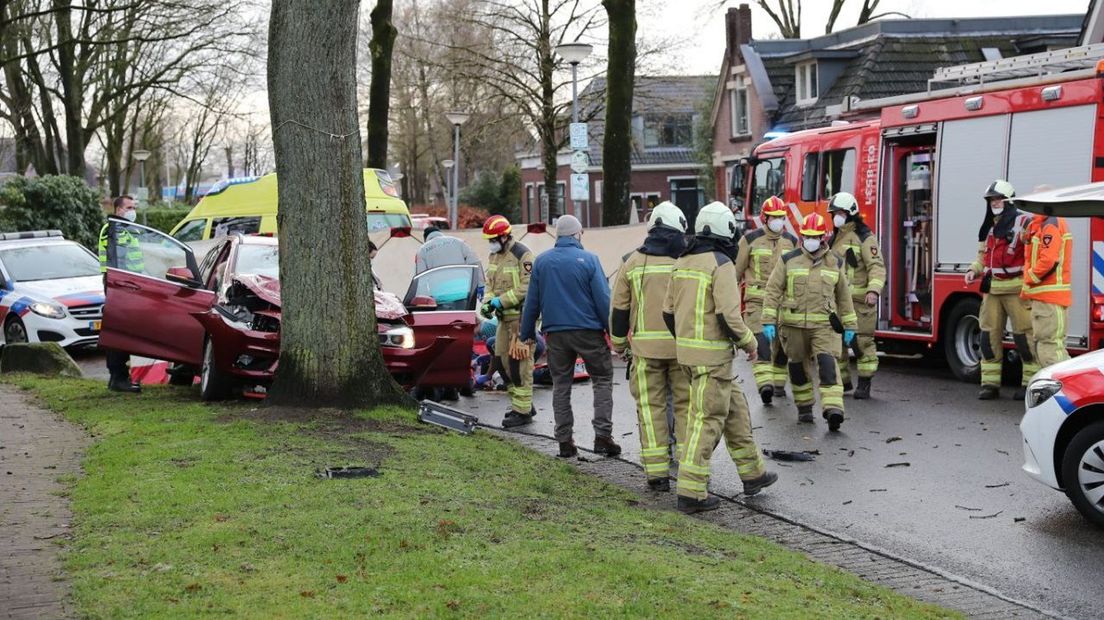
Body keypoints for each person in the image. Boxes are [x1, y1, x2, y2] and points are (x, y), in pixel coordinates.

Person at [663, 202, 777, 514]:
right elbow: (729, 317)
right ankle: (691, 492)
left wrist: (687, 343)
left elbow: (667, 312)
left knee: (736, 408)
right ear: (725, 230)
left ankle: (753, 474)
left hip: (689, 356)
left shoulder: (682, 261)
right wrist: (751, 344)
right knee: (708, 420)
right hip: (713, 359)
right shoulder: (721, 264)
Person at [520, 215, 621, 458]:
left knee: (561, 385)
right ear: (577, 234)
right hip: (588, 333)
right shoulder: (589, 260)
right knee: (602, 380)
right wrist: (614, 334)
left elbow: (531, 302)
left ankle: (565, 441)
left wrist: (526, 334)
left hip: (556, 335)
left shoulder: (542, 262)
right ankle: (603, 437)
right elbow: (603, 301)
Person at [610, 201, 689, 492]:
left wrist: (620, 345)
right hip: (682, 349)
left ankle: (656, 475)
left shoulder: (632, 261)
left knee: (651, 409)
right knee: (685, 407)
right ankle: (686, 469)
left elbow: (618, 309)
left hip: (644, 352)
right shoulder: (686, 260)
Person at [762, 212, 856, 431]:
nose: (810, 240)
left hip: (824, 327)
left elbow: (844, 297)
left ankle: (833, 409)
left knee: (827, 366)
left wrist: (851, 325)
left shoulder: (835, 263)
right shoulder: (788, 260)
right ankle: (804, 408)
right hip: (793, 328)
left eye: (814, 236)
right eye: (806, 236)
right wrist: (768, 320)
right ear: (802, 236)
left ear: (823, 237)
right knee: (797, 369)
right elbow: (773, 290)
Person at [965, 180, 1037, 400]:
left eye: (998, 199)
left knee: (1025, 338)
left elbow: (1033, 253)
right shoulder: (989, 225)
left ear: (1008, 201)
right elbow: (982, 257)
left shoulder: (1024, 222)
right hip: (992, 290)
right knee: (988, 336)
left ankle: (1029, 384)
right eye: (991, 200)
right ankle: (990, 384)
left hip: (1016, 289)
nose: (994, 203)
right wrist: (973, 270)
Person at [733, 196, 797, 406]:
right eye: (774, 217)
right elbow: (737, 272)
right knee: (761, 345)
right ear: (765, 218)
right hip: (756, 304)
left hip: (783, 304)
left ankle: (778, 385)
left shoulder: (791, 241)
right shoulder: (749, 240)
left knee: (781, 348)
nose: (778, 221)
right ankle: (765, 386)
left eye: (781, 216)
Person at [827, 192, 886, 400]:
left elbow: (877, 267)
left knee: (862, 343)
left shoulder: (864, 237)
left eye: (840, 213)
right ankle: (843, 383)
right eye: (834, 213)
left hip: (860, 302)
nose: (836, 216)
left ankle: (865, 383)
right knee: (838, 344)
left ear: (850, 212)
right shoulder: (834, 238)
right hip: (839, 303)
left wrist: (873, 290)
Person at [481, 215, 537, 427]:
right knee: (502, 362)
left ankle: (522, 411)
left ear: (504, 236)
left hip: (520, 319)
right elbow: (489, 284)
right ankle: (521, 403)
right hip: (503, 320)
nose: (491, 243)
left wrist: (500, 301)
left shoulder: (523, 254)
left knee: (519, 364)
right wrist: (488, 302)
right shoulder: (494, 257)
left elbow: (527, 287)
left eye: (493, 239)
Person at [97, 195, 143, 393]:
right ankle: (118, 377)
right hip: (120, 286)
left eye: (134, 207)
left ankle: (119, 377)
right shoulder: (114, 229)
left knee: (124, 331)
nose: (133, 210)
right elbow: (117, 259)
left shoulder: (126, 229)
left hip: (127, 286)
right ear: (119, 210)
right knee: (119, 332)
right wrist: (121, 287)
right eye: (129, 207)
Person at [1020, 197, 1072, 368]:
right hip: (1045, 299)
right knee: (1049, 347)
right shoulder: (1042, 223)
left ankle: (1061, 391)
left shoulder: (1050, 224)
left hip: (1049, 299)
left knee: (1050, 349)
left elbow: (1049, 260)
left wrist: (1030, 278)